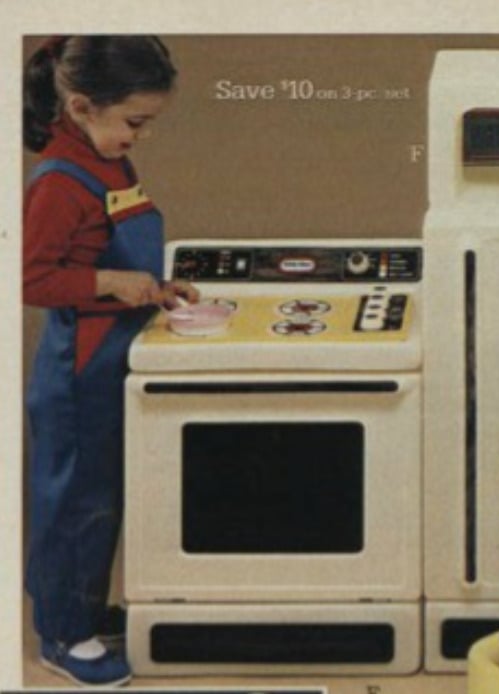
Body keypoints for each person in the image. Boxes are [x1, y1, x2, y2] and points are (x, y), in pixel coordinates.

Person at [22, 35, 197, 687]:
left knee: (103, 499)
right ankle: (62, 635)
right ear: (80, 105)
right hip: (77, 375)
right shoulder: (59, 183)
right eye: (134, 123)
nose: (139, 137)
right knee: (74, 503)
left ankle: (86, 611)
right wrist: (107, 285)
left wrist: (155, 285)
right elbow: (31, 278)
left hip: (111, 362)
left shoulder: (108, 165)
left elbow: (117, 252)